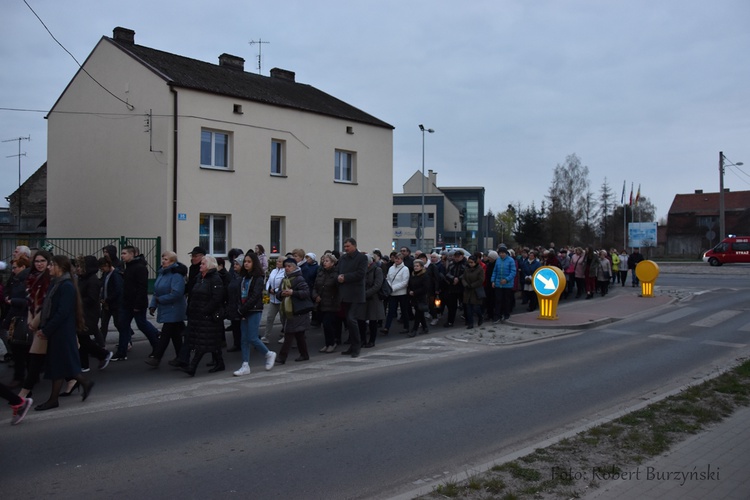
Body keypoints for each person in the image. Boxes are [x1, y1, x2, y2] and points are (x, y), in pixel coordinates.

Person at [34, 255, 95, 411]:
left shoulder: (66, 286)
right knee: (61, 364)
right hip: (58, 330)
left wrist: (46, 330)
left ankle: (54, 399)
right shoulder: (57, 284)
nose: (48, 267)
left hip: (62, 331)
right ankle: (83, 383)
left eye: (51, 264)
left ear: (60, 267)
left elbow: (62, 312)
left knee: (60, 365)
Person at [111, 246, 159, 361]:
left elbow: (142, 288)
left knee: (142, 324)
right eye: (121, 253)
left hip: (137, 303)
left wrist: (138, 305)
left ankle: (157, 346)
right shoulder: (128, 267)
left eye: (124, 253)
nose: (122, 256)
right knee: (123, 326)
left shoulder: (140, 268)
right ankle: (122, 352)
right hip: (127, 303)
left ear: (132, 254)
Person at [233, 252, 276, 376]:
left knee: (252, 337)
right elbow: (239, 295)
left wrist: (243, 309)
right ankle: (245, 364)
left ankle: (268, 354)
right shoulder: (242, 278)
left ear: (254, 263)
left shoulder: (258, 278)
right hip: (243, 310)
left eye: (249, 261)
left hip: (253, 310)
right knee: (244, 339)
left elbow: (255, 296)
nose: (246, 264)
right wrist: (239, 308)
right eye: (245, 261)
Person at [182, 256, 226, 376]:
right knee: (210, 342)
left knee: (203, 342)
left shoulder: (215, 279)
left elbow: (217, 298)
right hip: (197, 315)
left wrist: (205, 311)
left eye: (203, 263)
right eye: (200, 263)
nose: (200, 265)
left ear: (210, 265)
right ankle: (220, 363)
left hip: (208, 316)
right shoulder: (199, 278)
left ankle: (192, 367)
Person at [17, 250, 53, 401]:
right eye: (37, 261)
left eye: (42, 261)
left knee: (35, 357)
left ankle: (23, 394)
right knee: (54, 356)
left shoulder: (51, 279)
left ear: (48, 263)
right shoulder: (31, 277)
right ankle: (76, 380)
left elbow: (46, 305)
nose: (39, 264)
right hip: (35, 321)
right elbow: (31, 301)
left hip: (46, 323)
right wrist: (30, 319)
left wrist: (35, 321)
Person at [71, 256, 112, 378]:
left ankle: (102, 354)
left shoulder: (92, 280)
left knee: (83, 338)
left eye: (80, 266)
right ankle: (85, 363)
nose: (77, 269)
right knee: (83, 338)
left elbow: (91, 299)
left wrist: (76, 300)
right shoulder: (83, 279)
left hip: (89, 314)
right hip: (82, 313)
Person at [145, 251, 186, 367]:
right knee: (175, 335)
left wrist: (160, 300)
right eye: (162, 258)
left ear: (173, 261)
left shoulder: (176, 275)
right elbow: (156, 291)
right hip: (166, 308)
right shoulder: (162, 273)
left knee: (165, 334)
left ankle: (157, 357)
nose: (163, 261)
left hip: (175, 309)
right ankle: (181, 358)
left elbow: (177, 293)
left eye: (166, 259)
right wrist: (153, 305)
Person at [275, 257, 311, 364]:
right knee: (299, 334)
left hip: (298, 310)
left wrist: (293, 293)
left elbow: (306, 292)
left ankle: (282, 357)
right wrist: (281, 294)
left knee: (289, 333)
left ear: (295, 267)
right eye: (285, 266)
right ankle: (304, 354)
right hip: (290, 309)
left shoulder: (299, 278)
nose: (286, 268)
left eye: (289, 266)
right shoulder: (284, 279)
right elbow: (278, 293)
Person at [3, 255, 31, 387]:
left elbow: (29, 302)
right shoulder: (15, 280)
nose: (12, 270)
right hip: (16, 318)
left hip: (24, 319)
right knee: (19, 349)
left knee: (23, 349)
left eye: (15, 268)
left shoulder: (27, 281)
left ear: (23, 267)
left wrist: (13, 301)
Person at [337, 238, 367, 358]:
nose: (346, 248)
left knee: (351, 319)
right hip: (345, 294)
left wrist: (345, 277)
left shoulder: (361, 258)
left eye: (348, 246)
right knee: (348, 321)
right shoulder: (343, 258)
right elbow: (338, 271)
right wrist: (338, 277)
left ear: (354, 246)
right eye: (345, 246)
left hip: (356, 294)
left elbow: (360, 274)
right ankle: (352, 344)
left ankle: (357, 345)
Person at [313, 253, 341, 353]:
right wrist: (315, 296)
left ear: (333, 263)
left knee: (327, 323)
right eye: (324, 261)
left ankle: (332, 343)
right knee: (324, 325)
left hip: (332, 303)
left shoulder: (336, 274)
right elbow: (315, 286)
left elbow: (339, 288)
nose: (324, 263)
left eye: (327, 261)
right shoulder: (321, 273)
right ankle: (327, 343)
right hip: (321, 303)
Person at [360, 254, 385, 347]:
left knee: (372, 320)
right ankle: (363, 340)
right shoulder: (362, 270)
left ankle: (372, 340)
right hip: (363, 299)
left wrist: (366, 293)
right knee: (361, 320)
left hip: (373, 299)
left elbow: (377, 285)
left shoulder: (377, 270)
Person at [382, 253, 410, 334]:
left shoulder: (405, 269)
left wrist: (393, 288)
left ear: (402, 260)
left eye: (398, 259)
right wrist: (389, 287)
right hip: (392, 294)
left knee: (404, 311)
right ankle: (386, 328)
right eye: (396, 259)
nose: (397, 260)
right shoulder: (391, 268)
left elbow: (405, 282)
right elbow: (388, 278)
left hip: (401, 293)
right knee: (391, 311)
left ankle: (406, 327)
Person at [98, 256, 123, 344]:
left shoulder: (115, 274)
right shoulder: (106, 274)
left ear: (107, 265)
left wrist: (107, 299)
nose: (102, 270)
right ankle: (101, 342)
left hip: (114, 304)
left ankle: (126, 339)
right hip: (106, 304)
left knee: (117, 323)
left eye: (102, 268)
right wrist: (102, 298)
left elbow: (118, 290)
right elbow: (104, 287)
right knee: (104, 324)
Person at [491, 246, 516, 322]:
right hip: (498, 284)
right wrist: (493, 281)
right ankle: (497, 315)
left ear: (506, 253)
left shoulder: (511, 260)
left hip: (507, 284)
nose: (502, 254)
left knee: (506, 300)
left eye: (503, 253)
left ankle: (506, 314)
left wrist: (507, 279)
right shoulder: (498, 260)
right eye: (500, 253)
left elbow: (513, 272)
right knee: (498, 300)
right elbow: (495, 271)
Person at [442, 250, 467, 327]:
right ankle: (450, 321)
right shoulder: (452, 264)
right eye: (455, 256)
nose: (456, 258)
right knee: (451, 305)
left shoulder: (466, 264)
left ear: (462, 256)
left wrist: (458, 279)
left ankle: (468, 319)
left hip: (462, 287)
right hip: (452, 287)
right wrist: (453, 278)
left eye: (458, 257)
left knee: (465, 304)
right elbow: (447, 273)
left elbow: (466, 274)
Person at [264, 257, 286, 344]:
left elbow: (283, 284)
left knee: (283, 319)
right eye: (277, 261)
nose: (277, 262)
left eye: (280, 261)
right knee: (269, 318)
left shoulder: (285, 272)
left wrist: (276, 290)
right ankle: (266, 336)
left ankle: (286, 336)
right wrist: (269, 289)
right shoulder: (273, 271)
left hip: (281, 300)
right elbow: (268, 281)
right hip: (273, 300)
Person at [407, 259, 432, 336]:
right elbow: (409, 284)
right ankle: (425, 328)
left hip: (421, 297)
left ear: (421, 267)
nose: (415, 267)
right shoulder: (413, 275)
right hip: (414, 297)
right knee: (420, 313)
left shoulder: (425, 275)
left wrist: (415, 292)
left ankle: (414, 330)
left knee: (418, 314)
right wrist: (410, 291)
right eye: (415, 266)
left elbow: (425, 288)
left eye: (417, 266)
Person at [461, 255, 485, 329]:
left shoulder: (480, 269)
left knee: (475, 307)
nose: (470, 264)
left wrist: (472, 285)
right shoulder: (466, 269)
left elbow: (481, 280)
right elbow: (463, 278)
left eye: (472, 263)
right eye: (469, 262)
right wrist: (466, 284)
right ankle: (470, 323)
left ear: (475, 262)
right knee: (468, 308)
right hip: (468, 290)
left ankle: (480, 317)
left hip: (476, 291)